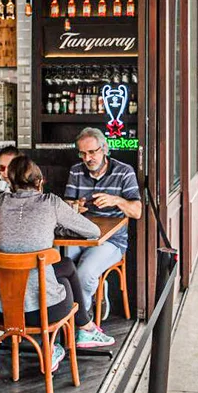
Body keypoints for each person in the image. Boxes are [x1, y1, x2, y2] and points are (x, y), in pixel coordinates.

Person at [0, 156, 116, 372]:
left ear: (11, 183)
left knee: (65, 265)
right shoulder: (50, 202)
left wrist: (52, 228)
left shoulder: (0, 202)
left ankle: (80, 329)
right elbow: (93, 231)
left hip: (4, 310)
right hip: (46, 312)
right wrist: (59, 227)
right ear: (39, 182)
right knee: (63, 282)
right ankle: (57, 343)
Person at [64, 128, 142, 319]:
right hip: (79, 235)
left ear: (104, 149)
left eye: (92, 152)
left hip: (112, 240)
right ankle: (73, 311)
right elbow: (66, 206)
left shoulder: (124, 172)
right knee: (60, 265)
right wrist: (76, 206)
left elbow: (137, 211)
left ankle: (83, 320)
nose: (88, 158)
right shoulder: (76, 171)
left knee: (84, 273)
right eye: (83, 153)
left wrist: (117, 201)